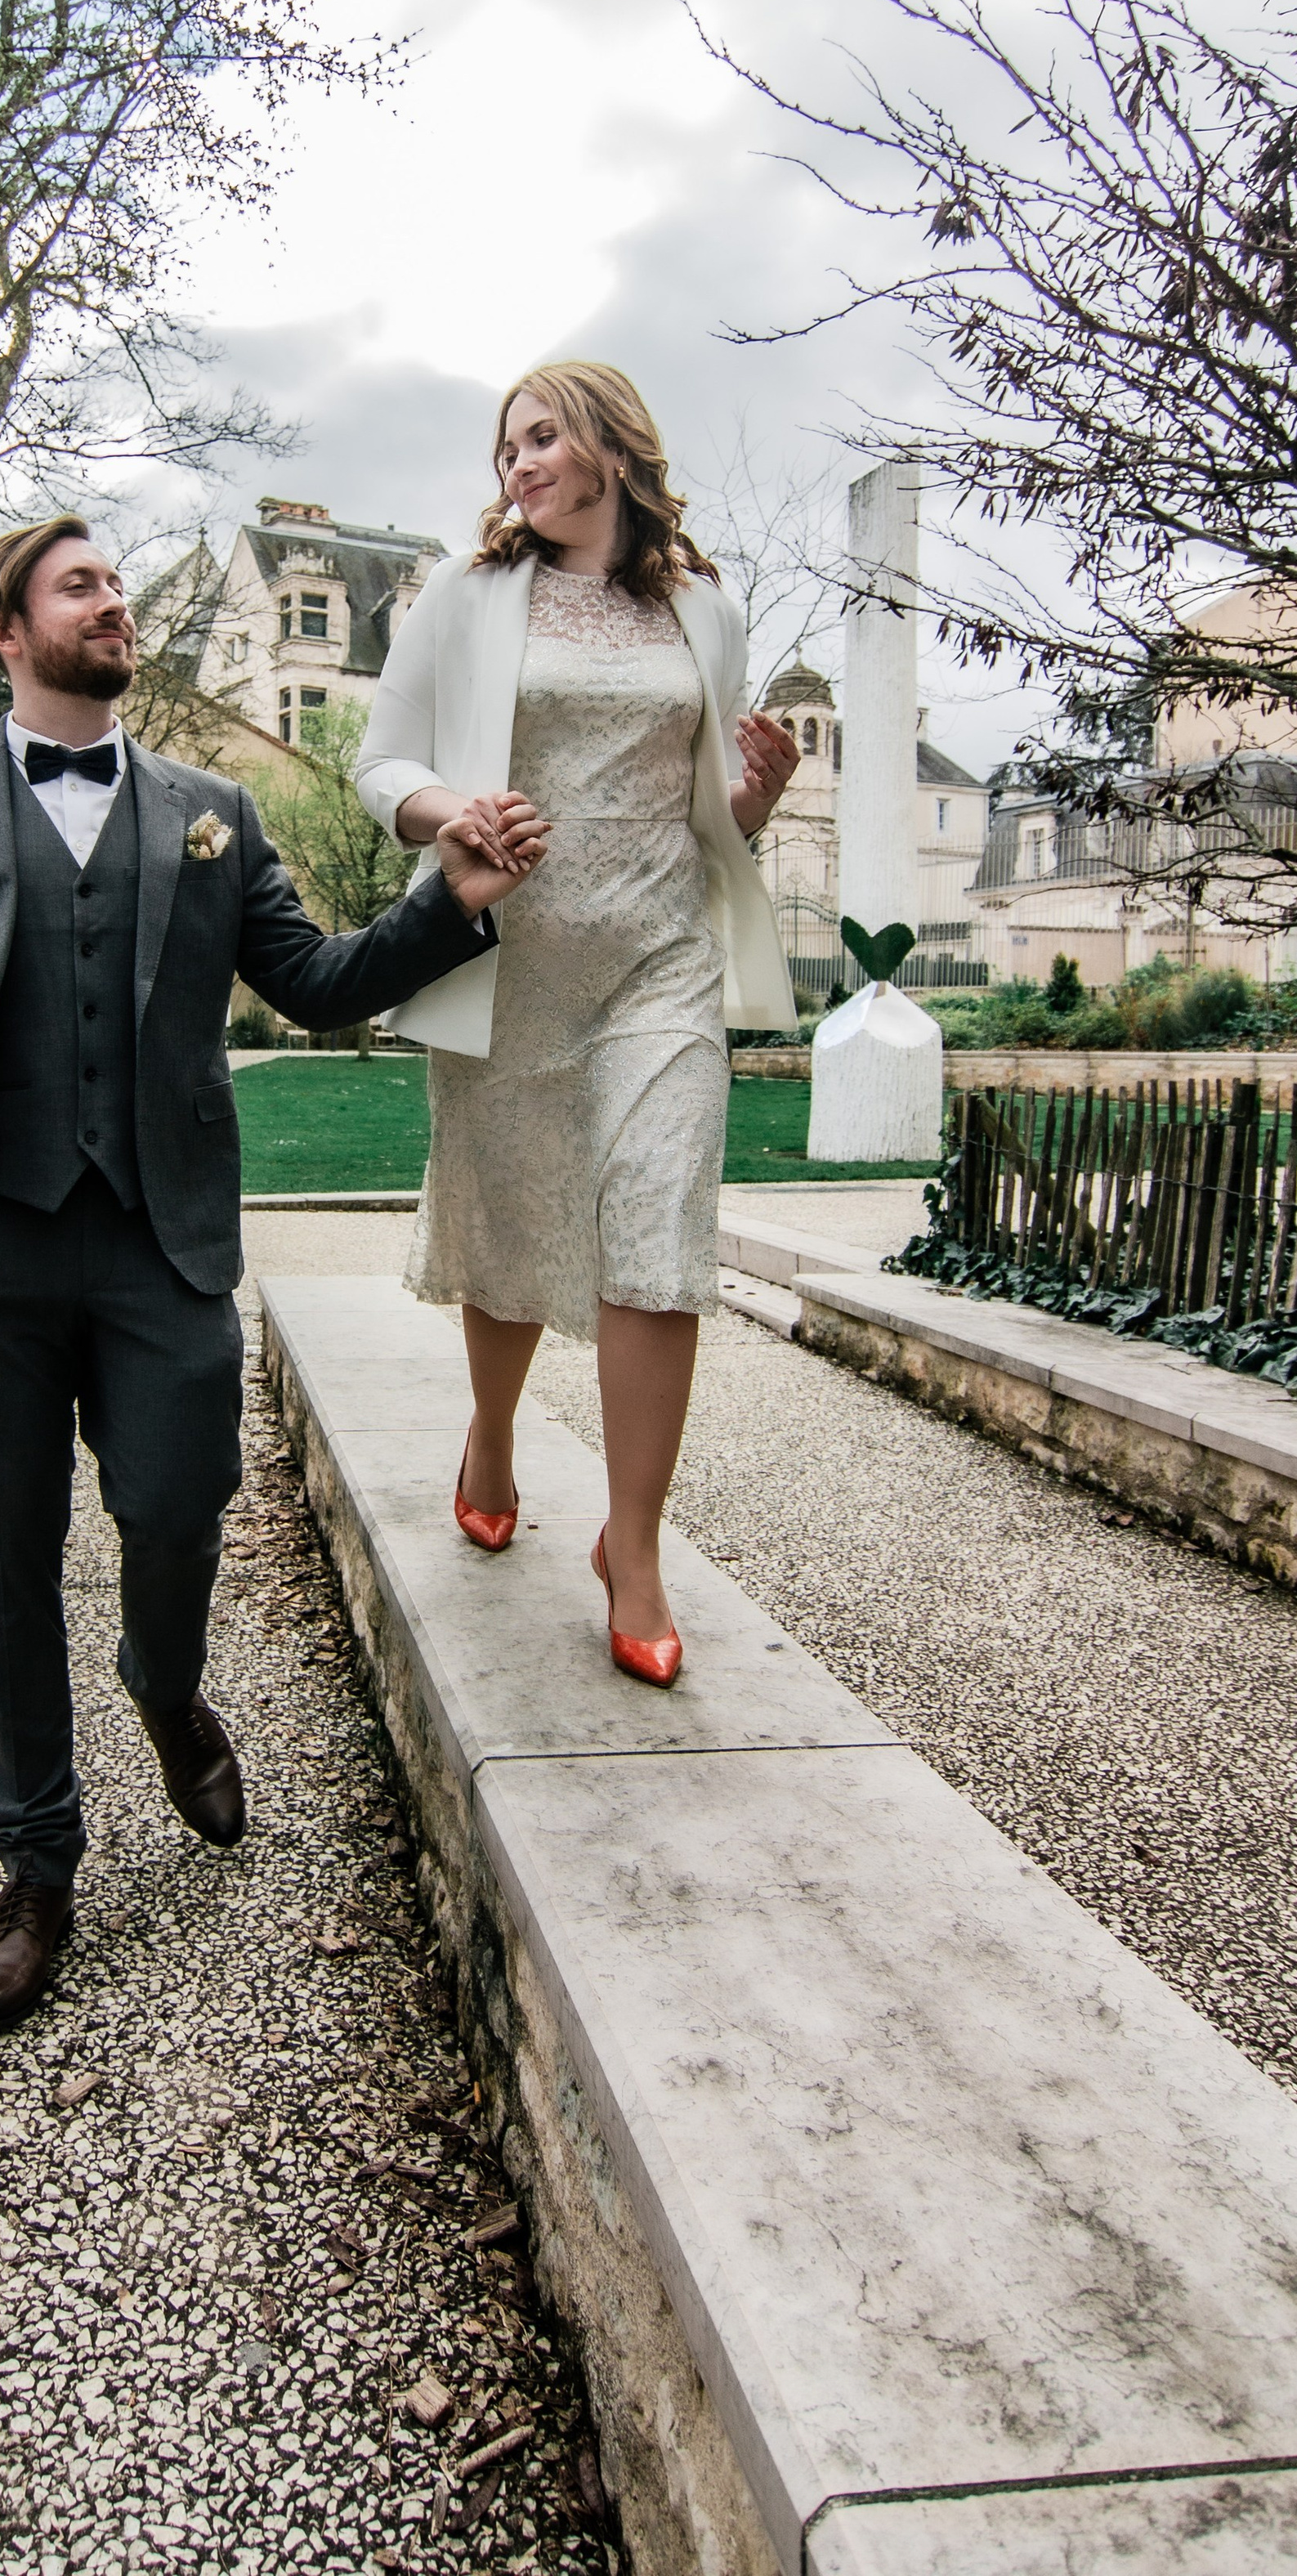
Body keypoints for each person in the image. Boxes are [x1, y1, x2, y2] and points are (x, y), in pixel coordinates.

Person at [0, 517, 547, 2034]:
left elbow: (314, 981)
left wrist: (449, 896)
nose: (110, 603)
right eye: (76, 586)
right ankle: (35, 1863)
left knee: (177, 1504)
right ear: (6, 632)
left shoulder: (211, 811)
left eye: (111, 584)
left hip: (161, 1239)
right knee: (7, 1559)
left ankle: (166, 1687)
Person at [355, 361, 800, 1690]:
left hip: (658, 965)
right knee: (513, 1224)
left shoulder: (703, 608)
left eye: (542, 436)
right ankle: (492, 1434)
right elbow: (382, 760)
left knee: (660, 1229)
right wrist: (453, 818)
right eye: (507, 448)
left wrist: (756, 799)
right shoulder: (468, 595)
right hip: (511, 964)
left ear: (612, 439)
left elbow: (705, 814)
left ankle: (638, 1546)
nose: (520, 464)